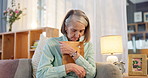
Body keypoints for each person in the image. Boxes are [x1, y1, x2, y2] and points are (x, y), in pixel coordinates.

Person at [36, 9, 96, 78]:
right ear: (65, 27)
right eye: (74, 30)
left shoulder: (88, 46)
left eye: (81, 31)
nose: (77, 35)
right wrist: (68, 67)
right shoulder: (52, 44)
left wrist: (75, 54)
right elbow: (40, 74)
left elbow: (91, 74)